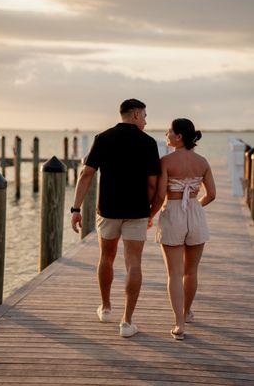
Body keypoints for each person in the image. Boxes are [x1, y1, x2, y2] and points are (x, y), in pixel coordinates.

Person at [71, 99, 161, 337]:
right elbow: (153, 184)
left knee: (106, 257)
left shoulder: (103, 138)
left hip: (108, 210)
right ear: (134, 114)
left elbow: (86, 174)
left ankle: (106, 308)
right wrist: (150, 211)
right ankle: (127, 322)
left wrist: (75, 208)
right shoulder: (149, 143)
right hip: (137, 212)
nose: (145, 120)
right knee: (133, 263)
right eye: (144, 115)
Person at [149, 118, 216, 340]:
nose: (166, 134)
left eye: (169, 131)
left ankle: (179, 324)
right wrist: (195, 206)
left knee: (175, 273)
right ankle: (187, 312)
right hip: (195, 211)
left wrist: (150, 215)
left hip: (173, 212)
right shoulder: (202, 161)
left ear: (178, 136)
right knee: (191, 271)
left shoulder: (166, 161)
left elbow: (159, 195)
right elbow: (212, 194)